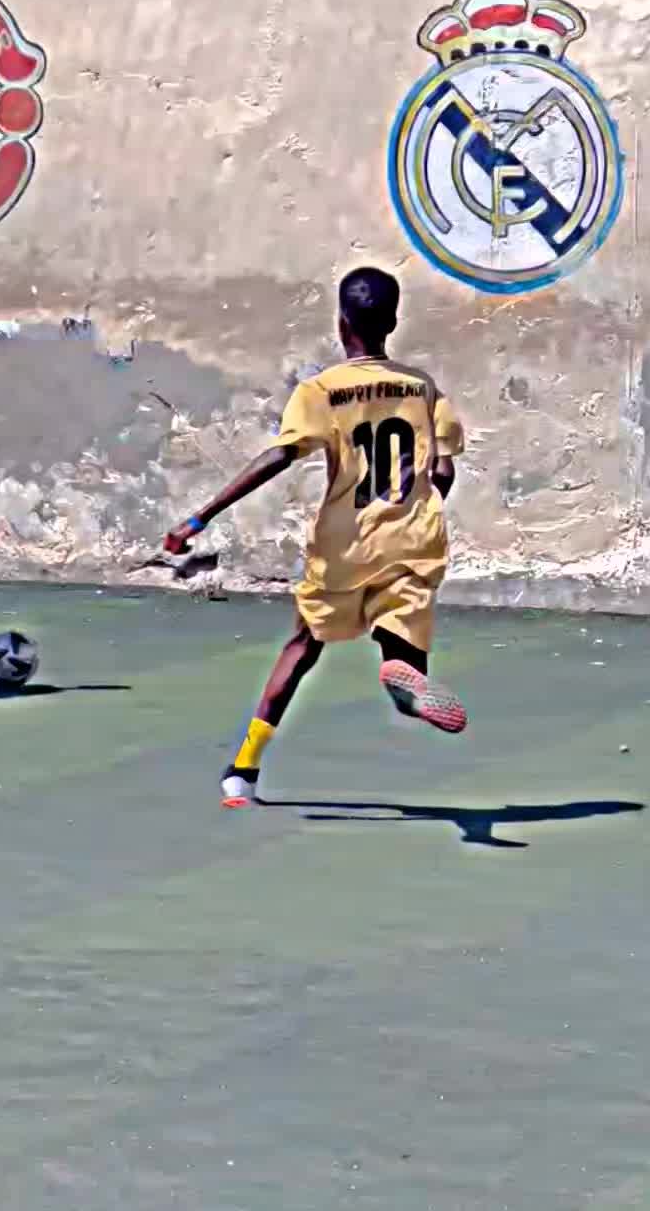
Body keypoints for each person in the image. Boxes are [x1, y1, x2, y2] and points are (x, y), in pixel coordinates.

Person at [163, 267, 466, 806]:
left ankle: (244, 769)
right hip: (412, 539)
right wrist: (415, 502)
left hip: (346, 543)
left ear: (342, 323)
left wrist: (200, 517)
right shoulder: (423, 389)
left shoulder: (322, 390)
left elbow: (280, 455)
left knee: (303, 646)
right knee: (401, 650)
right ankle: (406, 687)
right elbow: (442, 471)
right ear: (394, 321)